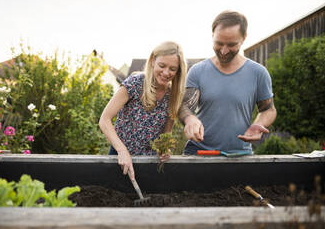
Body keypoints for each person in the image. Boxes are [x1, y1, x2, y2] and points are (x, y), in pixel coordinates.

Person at [179, 11, 277, 155]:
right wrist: (189, 118)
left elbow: (268, 109)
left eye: (231, 45)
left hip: (239, 155)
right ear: (212, 35)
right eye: (219, 43)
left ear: (244, 38)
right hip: (199, 154)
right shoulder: (197, 71)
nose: (224, 51)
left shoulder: (258, 73)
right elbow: (184, 107)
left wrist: (258, 124)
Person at [99, 41, 187, 180]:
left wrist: (164, 149)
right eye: (162, 66)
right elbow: (104, 120)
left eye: (172, 69)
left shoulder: (173, 95)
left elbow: (166, 132)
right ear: (153, 61)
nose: (166, 73)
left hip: (149, 162)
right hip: (120, 158)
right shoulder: (135, 83)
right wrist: (122, 151)